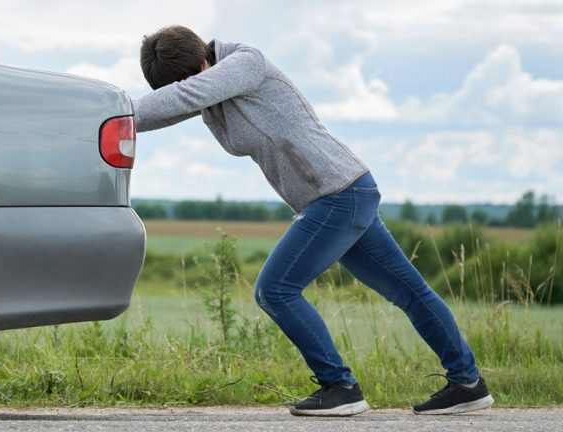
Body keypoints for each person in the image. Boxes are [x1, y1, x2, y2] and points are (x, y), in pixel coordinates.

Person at [132, 25, 494, 417]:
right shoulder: (207, 85)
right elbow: (173, 107)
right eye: (178, 83)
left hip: (337, 193)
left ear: (204, 58)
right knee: (409, 291)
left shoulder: (245, 62)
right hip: (343, 193)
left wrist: (114, 112)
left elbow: (186, 95)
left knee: (276, 289)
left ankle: (340, 386)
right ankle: (468, 383)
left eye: (190, 77)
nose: (188, 86)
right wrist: (105, 119)